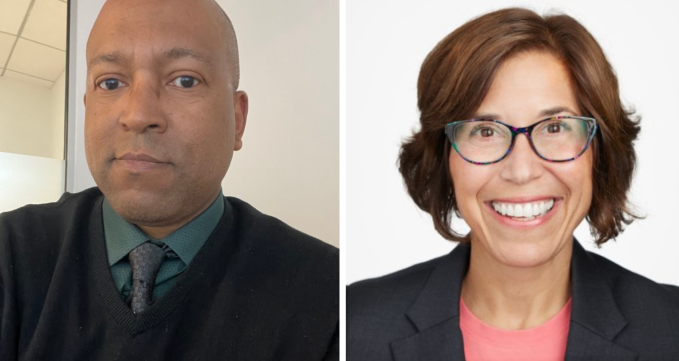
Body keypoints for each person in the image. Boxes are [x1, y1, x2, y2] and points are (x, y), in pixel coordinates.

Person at [0, 0, 338, 360]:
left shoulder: (326, 296)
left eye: (185, 80)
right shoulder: (11, 254)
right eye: (111, 82)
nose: (138, 114)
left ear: (237, 120)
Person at [347, 8, 679, 361]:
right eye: (485, 131)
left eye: (554, 127)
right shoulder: (353, 325)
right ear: (444, 158)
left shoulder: (670, 329)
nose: (521, 171)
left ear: (600, 151)